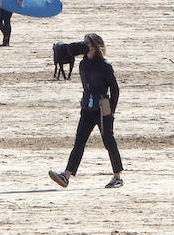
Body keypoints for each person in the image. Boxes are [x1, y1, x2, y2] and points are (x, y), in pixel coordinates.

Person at [48, 33, 123, 190]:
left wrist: (111, 110)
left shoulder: (105, 65)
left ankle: (117, 177)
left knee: (108, 140)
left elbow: (114, 89)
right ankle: (66, 175)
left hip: (104, 105)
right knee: (79, 141)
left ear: (94, 46)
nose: (84, 45)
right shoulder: (83, 64)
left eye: (87, 43)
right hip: (87, 106)